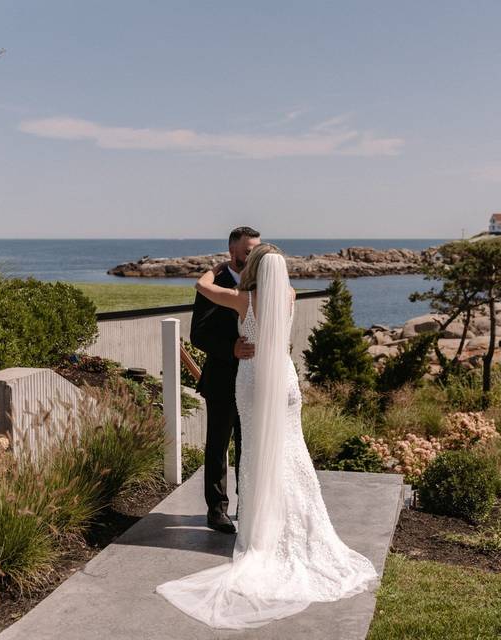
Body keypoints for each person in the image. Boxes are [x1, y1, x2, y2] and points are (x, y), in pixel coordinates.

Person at [156, 243, 378, 629]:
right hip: (285, 381)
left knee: (256, 453)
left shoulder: (244, 299)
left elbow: (201, 285)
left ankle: (262, 529)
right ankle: (298, 527)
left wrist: (217, 266)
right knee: (290, 451)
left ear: (255, 268)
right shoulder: (289, 297)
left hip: (255, 381)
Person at [189, 226, 260, 533]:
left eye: (256, 250)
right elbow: (198, 334)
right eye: (248, 251)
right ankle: (216, 510)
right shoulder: (214, 284)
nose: (252, 255)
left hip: (254, 380)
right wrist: (230, 348)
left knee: (249, 445)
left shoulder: (262, 283)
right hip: (221, 378)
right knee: (218, 446)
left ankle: (248, 503)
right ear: (232, 251)